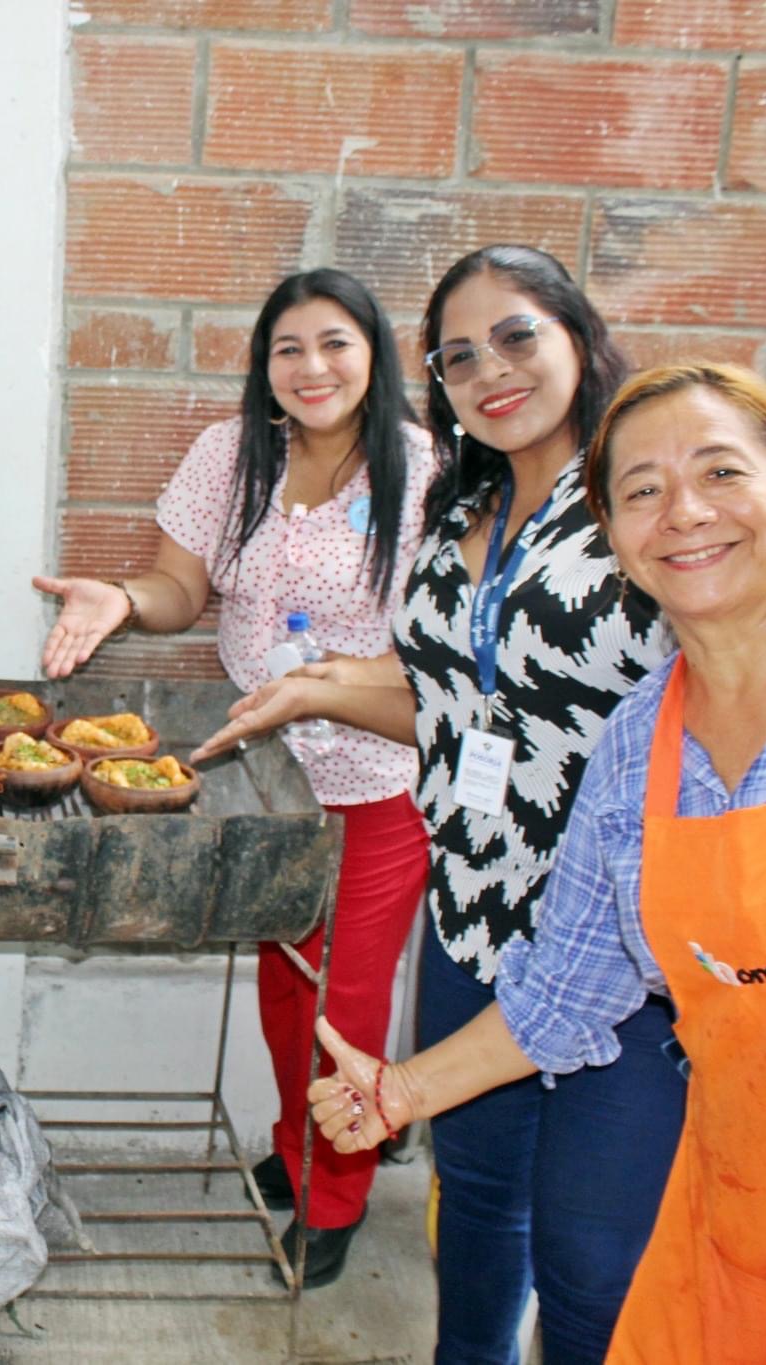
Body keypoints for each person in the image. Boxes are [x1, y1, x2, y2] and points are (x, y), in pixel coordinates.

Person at [307, 362, 766, 1364]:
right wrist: (400, 1092)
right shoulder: (636, 748)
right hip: (745, 1232)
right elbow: (567, 993)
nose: (682, 511)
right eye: (641, 490)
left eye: (720, 472)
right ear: (615, 544)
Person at [195, 246, 687, 1362]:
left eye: (515, 337)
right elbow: (457, 700)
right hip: (473, 913)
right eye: (458, 356)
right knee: (474, 1211)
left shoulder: (637, 492)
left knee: (588, 1265)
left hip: (620, 939)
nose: (489, 371)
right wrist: (314, 690)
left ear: (577, 336)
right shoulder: (468, 499)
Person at [35, 268, 436, 1287]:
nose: (312, 367)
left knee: (342, 1004)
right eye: (287, 348)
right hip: (261, 779)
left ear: (374, 355)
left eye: (335, 343)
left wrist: (336, 686)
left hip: (373, 780)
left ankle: (335, 1197)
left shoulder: (423, 471)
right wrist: (123, 599)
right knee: (284, 987)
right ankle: (298, 1149)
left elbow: (437, 648)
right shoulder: (230, 454)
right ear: (263, 366)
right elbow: (181, 588)